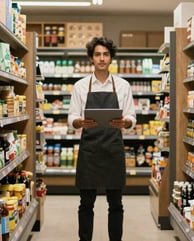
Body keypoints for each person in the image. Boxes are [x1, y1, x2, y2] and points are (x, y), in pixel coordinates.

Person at [68, 36, 136, 241]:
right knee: (86, 203)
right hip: (90, 150)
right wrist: (79, 122)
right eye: (97, 54)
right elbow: (71, 117)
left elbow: (132, 116)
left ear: (111, 58)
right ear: (91, 58)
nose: (102, 58)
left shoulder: (123, 86)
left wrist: (126, 122)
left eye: (106, 54)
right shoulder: (80, 86)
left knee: (116, 203)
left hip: (113, 148)